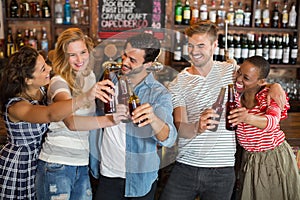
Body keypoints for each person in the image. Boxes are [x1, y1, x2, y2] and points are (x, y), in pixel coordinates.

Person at [159, 20, 287, 200]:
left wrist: (275, 85)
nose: (195, 51)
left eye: (201, 45)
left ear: (214, 45)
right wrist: (197, 127)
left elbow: (258, 79)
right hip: (185, 167)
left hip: (223, 170)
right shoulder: (178, 82)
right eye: (190, 46)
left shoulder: (231, 71)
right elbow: (180, 128)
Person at [0, 46, 109, 199]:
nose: (50, 69)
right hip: (21, 164)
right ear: (28, 79)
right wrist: (86, 97)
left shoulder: (42, 91)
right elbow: (50, 114)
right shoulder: (16, 106)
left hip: (41, 158)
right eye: (43, 69)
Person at [35, 28, 127, 200]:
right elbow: (71, 123)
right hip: (57, 164)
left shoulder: (90, 77)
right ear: (64, 57)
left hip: (82, 163)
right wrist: (109, 120)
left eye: (83, 52)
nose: (79, 59)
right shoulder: (58, 82)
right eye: (72, 55)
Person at [90, 32, 177, 200]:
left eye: (132, 60)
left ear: (148, 64)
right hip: (106, 174)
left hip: (139, 179)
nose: (124, 62)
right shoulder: (109, 80)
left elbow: (169, 137)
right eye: (124, 55)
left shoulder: (158, 94)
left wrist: (153, 119)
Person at [228, 56, 300, 200]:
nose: (239, 79)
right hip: (248, 156)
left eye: (246, 78)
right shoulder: (235, 94)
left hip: (272, 158)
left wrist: (247, 117)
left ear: (261, 82)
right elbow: (230, 63)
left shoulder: (269, 96)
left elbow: (272, 121)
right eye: (239, 73)